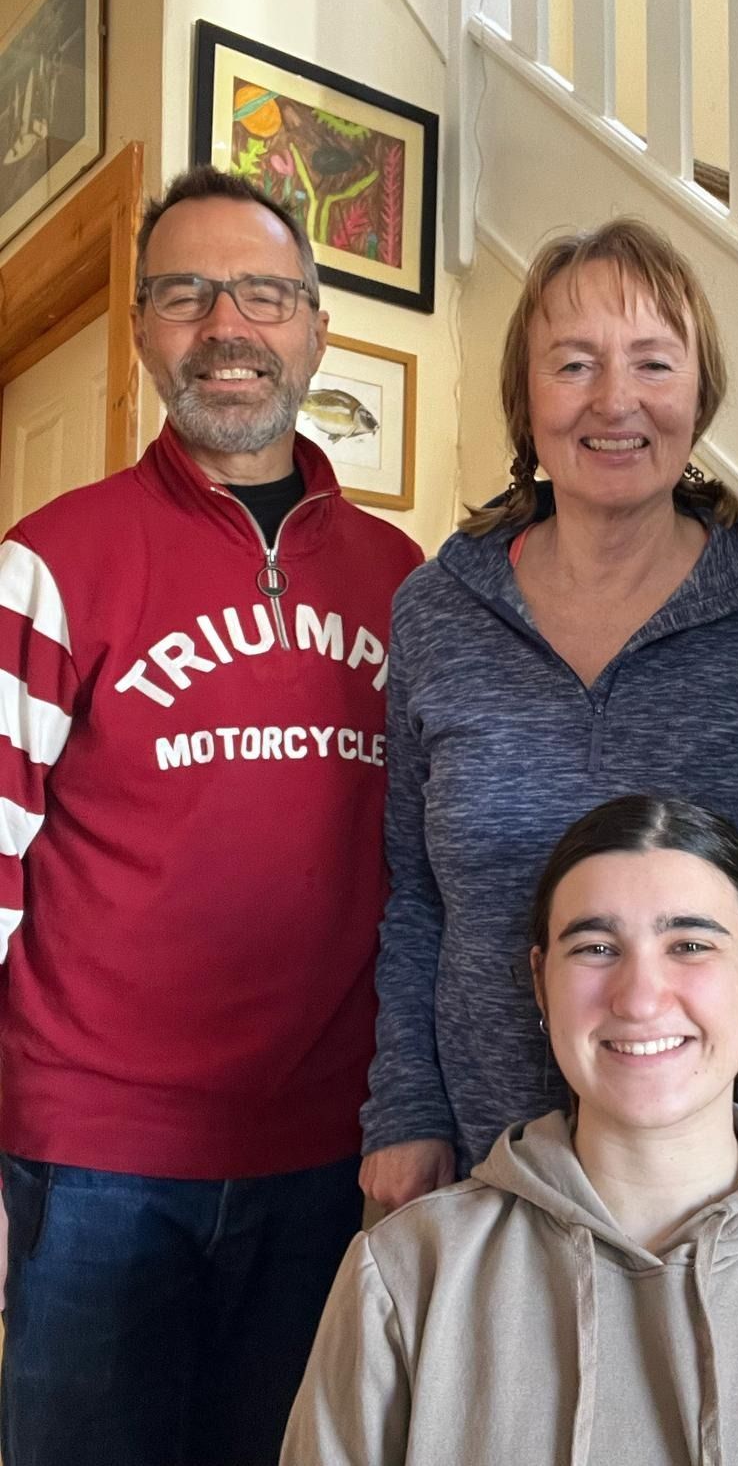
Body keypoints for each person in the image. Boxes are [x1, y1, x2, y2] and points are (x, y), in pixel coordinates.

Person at [0, 164, 423, 1466]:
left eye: (264, 293)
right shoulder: (49, 558)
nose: (226, 324)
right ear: (142, 327)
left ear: (315, 327)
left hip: (327, 1156)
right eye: (186, 292)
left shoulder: (410, 582)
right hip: (91, 1164)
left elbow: (428, 871)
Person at [360, 218, 738, 1209]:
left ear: (698, 393)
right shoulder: (436, 609)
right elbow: (416, 896)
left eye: (653, 362)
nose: (616, 400)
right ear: (526, 397)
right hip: (493, 1153)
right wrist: (406, 1112)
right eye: (574, 364)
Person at [286, 794, 738, 1465]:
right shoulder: (405, 1278)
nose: (638, 996)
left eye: (691, 944)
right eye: (596, 947)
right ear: (541, 984)